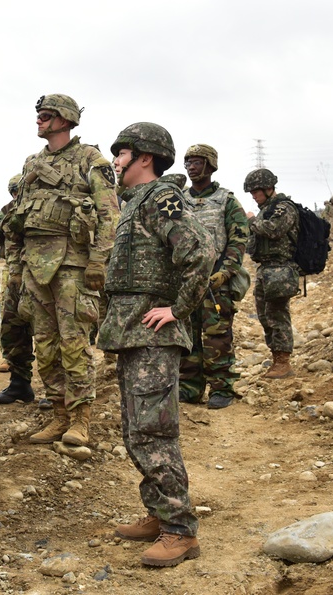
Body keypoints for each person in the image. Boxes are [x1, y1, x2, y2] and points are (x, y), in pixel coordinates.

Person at [97, 122, 213, 567]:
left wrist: (177, 309)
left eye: (122, 152)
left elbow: (198, 253)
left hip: (153, 335)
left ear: (145, 156)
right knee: (135, 431)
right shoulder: (136, 203)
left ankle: (179, 531)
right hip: (131, 333)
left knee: (153, 431)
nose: (116, 160)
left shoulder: (162, 197)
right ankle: (158, 511)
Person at [15, 94, 120, 445]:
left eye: (45, 116)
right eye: (38, 116)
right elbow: (20, 217)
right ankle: (58, 414)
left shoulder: (91, 159)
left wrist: (98, 261)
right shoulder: (32, 163)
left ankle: (81, 420)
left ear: (65, 119)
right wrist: (17, 266)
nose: (39, 121)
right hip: (36, 266)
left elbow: (109, 214)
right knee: (44, 345)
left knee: (74, 344)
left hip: (72, 266)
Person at [178, 144, 250, 410]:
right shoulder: (178, 199)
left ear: (210, 165)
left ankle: (221, 387)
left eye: (196, 162)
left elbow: (239, 238)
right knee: (187, 334)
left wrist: (226, 272)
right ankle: (189, 387)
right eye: (187, 163)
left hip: (215, 280)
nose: (191, 167)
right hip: (185, 279)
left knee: (217, 335)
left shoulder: (226, 200)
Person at [243, 168, 299, 380]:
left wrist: (250, 220)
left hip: (281, 269)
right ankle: (276, 356)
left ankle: (283, 361)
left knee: (277, 314)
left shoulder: (283, 208)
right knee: (265, 315)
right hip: (266, 269)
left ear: (268, 189)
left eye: (256, 192)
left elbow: (273, 229)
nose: (253, 197)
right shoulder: (266, 209)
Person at [0, 174, 37, 405]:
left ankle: (59, 393)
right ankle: (20, 384)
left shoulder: (45, 203)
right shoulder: (9, 209)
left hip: (44, 276)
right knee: (12, 331)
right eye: (15, 191)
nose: (18, 195)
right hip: (16, 277)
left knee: (50, 336)